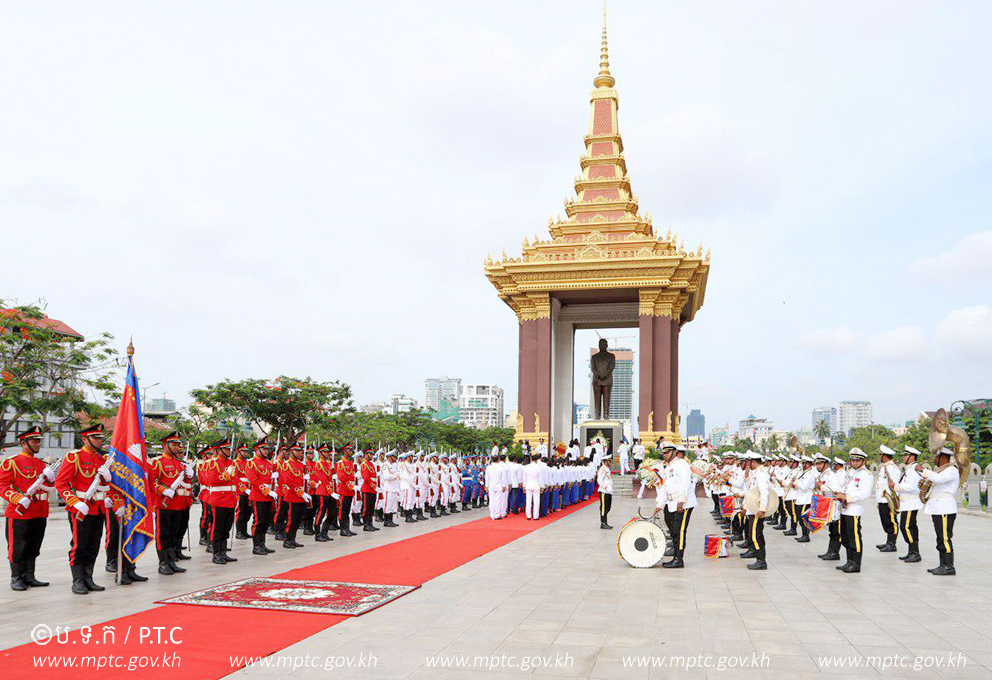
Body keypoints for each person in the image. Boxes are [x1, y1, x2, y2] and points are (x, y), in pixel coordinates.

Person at [55, 423, 111, 594]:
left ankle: (88, 578)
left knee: (94, 545)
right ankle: (78, 580)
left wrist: (108, 480)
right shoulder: (74, 457)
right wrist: (74, 501)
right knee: (79, 545)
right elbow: (61, 483)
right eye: (95, 438)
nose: (99, 441)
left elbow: (104, 485)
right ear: (84, 439)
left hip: (98, 508)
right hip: (81, 508)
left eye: (101, 438)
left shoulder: (102, 460)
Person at [1, 426, 53, 591]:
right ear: (24, 443)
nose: (38, 444)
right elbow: (2, 485)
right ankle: (16, 577)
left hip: (39, 511)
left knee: (34, 546)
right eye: (34, 441)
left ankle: (29, 576)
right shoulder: (12, 462)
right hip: (19, 513)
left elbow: (49, 486)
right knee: (18, 546)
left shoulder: (41, 464)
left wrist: (52, 479)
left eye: (39, 441)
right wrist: (17, 498)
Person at [148, 431, 193, 575]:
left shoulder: (179, 464)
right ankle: (163, 563)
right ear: (165, 445)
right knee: (163, 535)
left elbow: (184, 483)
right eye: (173, 444)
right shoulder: (157, 462)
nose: (177, 447)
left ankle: (171, 561)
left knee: (174, 533)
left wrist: (189, 477)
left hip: (178, 504)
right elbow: (151, 482)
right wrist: (163, 490)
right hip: (164, 504)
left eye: (178, 444)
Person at [918, 447, 959, 576]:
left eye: (936, 457)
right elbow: (935, 480)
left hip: (945, 508)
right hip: (938, 508)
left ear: (943, 457)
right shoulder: (941, 471)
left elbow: (939, 479)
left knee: (945, 538)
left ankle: (948, 566)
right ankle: (943, 564)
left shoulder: (952, 470)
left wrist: (923, 470)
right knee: (940, 537)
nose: (935, 459)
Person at [835, 448, 873, 573]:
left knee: (854, 537)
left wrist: (847, 497)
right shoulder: (850, 471)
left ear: (863, 460)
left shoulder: (866, 474)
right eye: (853, 460)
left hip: (854, 509)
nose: (855, 462)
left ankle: (856, 563)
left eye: (858, 460)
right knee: (845, 536)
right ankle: (849, 561)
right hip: (844, 509)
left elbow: (864, 494)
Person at [201, 439, 239, 564]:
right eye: (226, 449)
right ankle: (216, 553)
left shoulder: (231, 462)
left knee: (226, 528)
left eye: (229, 449)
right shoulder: (212, 463)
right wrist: (225, 475)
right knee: (217, 528)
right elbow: (211, 480)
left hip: (230, 499)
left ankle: (223, 552)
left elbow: (235, 480)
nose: (229, 451)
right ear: (218, 450)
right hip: (219, 499)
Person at [245, 438, 278, 554]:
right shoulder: (251, 463)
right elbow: (253, 480)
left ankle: (262, 543)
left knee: (266, 521)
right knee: (258, 521)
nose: (266, 451)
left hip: (269, 496)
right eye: (263, 449)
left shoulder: (269, 463)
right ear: (257, 449)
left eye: (267, 449)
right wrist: (266, 490)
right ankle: (256, 546)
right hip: (259, 496)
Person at [893, 445, 923, 563]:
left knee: (906, 527)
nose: (904, 457)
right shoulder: (909, 469)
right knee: (910, 527)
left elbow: (911, 487)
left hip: (911, 503)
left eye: (906, 455)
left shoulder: (913, 469)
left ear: (912, 457)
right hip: (907, 503)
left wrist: (896, 486)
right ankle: (912, 552)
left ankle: (915, 553)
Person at [875, 445, 900, 553]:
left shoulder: (892, 468)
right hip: (882, 499)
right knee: (885, 521)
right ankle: (888, 542)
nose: (880, 456)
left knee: (891, 522)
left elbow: (894, 485)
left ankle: (892, 544)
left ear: (885, 456)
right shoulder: (884, 467)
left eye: (881, 455)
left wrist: (892, 501)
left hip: (888, 500)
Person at [336, 447, 358, 536]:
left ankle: (347, 528)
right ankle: (343, 529)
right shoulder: (341, 463)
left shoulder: (350, 463)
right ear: (344, 452)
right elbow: (341, 477)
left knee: (347, 510)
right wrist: (350, 485)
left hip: (350, 490)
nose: (351, 452)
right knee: (343, 510)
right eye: (349, 451)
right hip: (343, 490)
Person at [233, 443, 253, 540]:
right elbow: (235, 478)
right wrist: (244, 489)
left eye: (246, 451)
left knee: (247, 512)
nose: (245, 453)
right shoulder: (235, 463)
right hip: (241, 491)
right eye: (243, 451)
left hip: (249, 490)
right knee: (241, 511)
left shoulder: (248, 463)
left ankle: (244, 531)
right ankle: (239, 531)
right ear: (238, 452)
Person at [360, 450, 380, 531]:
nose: (372, 456)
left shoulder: (371, 464)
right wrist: (374, 486)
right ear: (366, 454)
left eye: (372, 454)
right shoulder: (364, 464)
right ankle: (366, 524)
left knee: (371, 508)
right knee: (366, 508)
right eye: (370, 454)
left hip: (372, 490)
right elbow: (366, 478)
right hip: (367, 489)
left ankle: (370, 524)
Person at [380, 450, 400, 527]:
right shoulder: (386, 465)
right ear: (390, 457)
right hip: (388, 488)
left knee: (392, 506)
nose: (395, 458)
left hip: (394, 488)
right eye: (394, 457)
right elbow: (386, 477)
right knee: (387, 505)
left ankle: (390, 520)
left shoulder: (393, 466)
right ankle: (386, 521)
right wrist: (394, 476)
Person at [597, 450, 613, 529]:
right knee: (603, 508)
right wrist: (606, 487)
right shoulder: (602, 469)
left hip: (608, 492)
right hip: (604, 491)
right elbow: (599, 480)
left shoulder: (607, 469)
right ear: (606, 461)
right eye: (609, 461)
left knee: (608, 507)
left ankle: (605, 522)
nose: (610, 463)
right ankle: (603, 523)